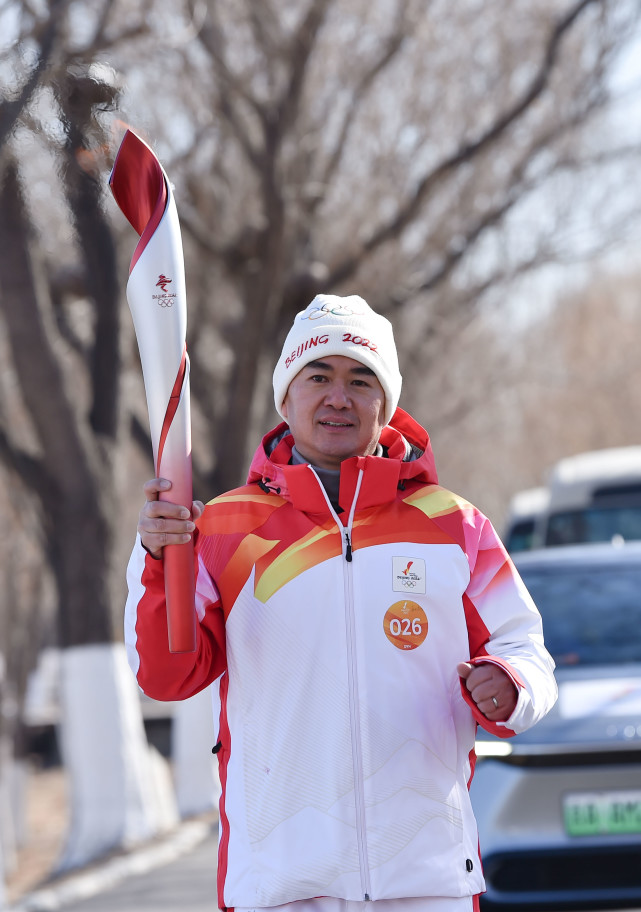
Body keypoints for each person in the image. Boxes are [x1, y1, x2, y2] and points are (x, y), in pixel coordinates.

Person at [125, 294, 557, 912]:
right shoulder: (221, 530)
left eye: (360, 380)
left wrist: (510, 684)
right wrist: (160, 560)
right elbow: (165, 677)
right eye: (318, 376)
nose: (338, 397)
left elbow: (525, 648)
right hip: (282, 883)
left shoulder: (452, 527)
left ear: (387, 403)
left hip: (425, 880)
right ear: (285, 398)